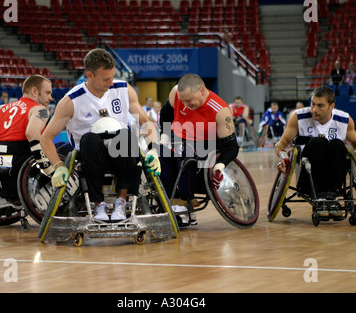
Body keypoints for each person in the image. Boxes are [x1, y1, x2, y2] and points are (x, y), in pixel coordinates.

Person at [40, 48, 160, 222]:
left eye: (112, 76)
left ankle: (121, 201)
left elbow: (146, 122)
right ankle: (98, 205)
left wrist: (153, 149)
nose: (111, 82)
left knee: (126, 135)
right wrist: (58, 166)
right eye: (106, 78)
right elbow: (46, 138)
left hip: (121, 152)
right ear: (90, 74)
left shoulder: (124, 89)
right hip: (90, 155)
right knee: (90, 138)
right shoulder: (71, 101)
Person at [158, 74, 239, 223]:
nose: (185, 105)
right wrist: (164, 137)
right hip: (179, 139)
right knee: (161, 153)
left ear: (202, 91)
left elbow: (232, 147)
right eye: (182, 101)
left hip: (206, 145)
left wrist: (220, 165)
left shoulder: (220, 110)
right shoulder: (176, 93)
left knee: (187, 152)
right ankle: (169, 201)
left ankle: (186, 205)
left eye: (189, 101)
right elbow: (166, 115)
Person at [0, 75, 54, 206]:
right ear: (34, 91)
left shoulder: (2, 108)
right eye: (47, 93)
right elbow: (32, 133)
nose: (51, 98)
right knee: (63, 150)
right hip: (24, 167)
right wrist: (47, 168)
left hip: (2, 168)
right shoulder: (41, 110)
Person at [275, 86, 356, 200]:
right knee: (317, 142)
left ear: (331, 106)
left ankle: (331, 193)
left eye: (320, 105)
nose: (314, 109)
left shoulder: (344, 120)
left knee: (338, 144)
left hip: (334, 176)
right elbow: (280, 144)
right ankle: (319, 191)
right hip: (308, 173)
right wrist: (283, 158)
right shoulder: (298, 117)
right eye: (313, 104)